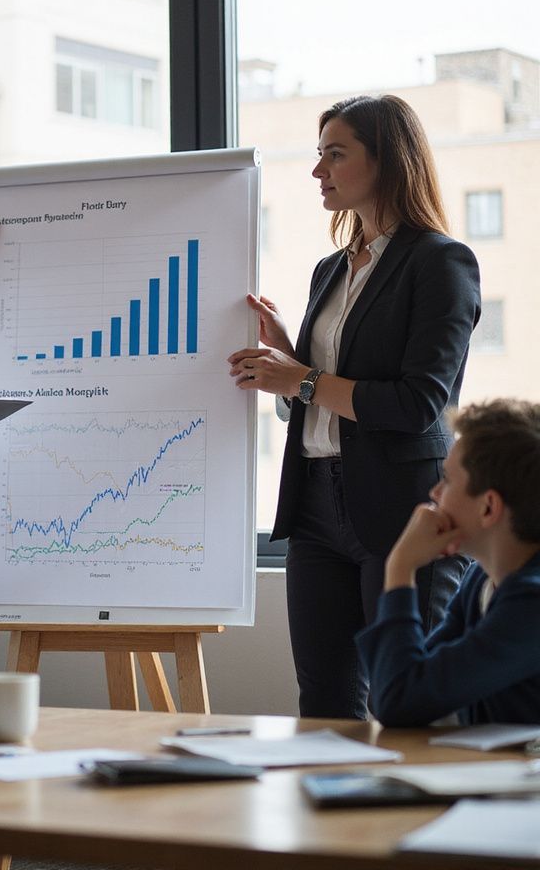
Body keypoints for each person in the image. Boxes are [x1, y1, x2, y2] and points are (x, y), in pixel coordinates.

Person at [227, 94, 480, 719]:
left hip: (402, 509)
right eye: (319, 157)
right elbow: (314, 403)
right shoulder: (329, 270)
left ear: (389, 161)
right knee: (324, 702)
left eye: (335, 156)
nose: (319, 172)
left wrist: (304, 378)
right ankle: (331, 815)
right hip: (315, 507)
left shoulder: (440, 262)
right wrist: (289, 363)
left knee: (407, 706)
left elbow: (422, 402)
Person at [357, 400, 540, 726]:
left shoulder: (531, 603)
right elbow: (402, 684)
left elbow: (399, 701)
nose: (435, 492)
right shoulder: (480, 581)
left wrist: (399, 568)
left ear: (488, 507)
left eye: (448, 480)